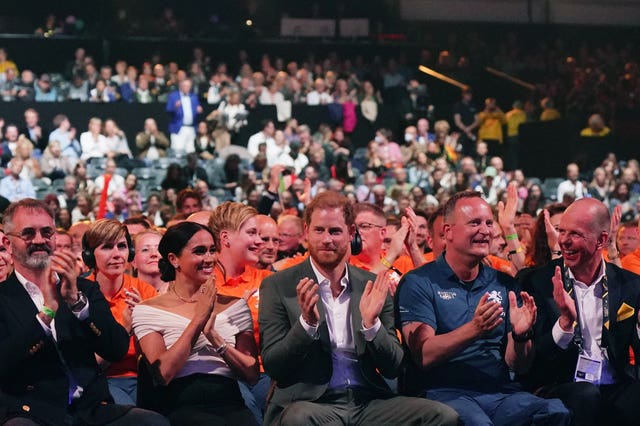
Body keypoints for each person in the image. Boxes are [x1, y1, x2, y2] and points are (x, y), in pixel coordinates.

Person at [258, 191, 458, 425]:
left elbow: (393, 367)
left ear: (351, 233)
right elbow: (273, 365)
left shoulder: (370, 285)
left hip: (367, 401)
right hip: (309, 402)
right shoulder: (278, 285)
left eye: (335, 231)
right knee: (299, 418)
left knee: (443, 416)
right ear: (306, 232)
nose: (327, 240)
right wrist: (306, 325)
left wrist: (371, 326)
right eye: (319, 230)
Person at [396, 190, 570, 425]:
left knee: (555, 413)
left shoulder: (504, 283)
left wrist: (521, 336)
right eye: (474, 223)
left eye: (489, 223)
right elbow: (424, 356)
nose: (485, 230)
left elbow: (518, 364)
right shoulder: (419, 282)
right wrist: (475, 328)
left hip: (500, 392)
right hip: (443, 392)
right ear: (448, 232)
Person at [0, 199, 168, 425]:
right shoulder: (3, 297)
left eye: (46, 232)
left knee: (152, 422)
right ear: (9, 244)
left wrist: (78, 304)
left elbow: (116, 349)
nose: (39, 240)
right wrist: (45, 314)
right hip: (31, 410)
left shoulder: (84, 289)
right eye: (28, 233)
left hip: (90, 409)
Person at [518, 197, 640, 426]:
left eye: (575, 234)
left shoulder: (630, 285)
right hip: (558, 384)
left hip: (615, 385)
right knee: (585, 395)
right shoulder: (537, 282)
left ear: (601, 240)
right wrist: (564, 323)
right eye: (561, 231)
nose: (563, 240)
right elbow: (533, 359)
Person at [132, 222, 258, 424]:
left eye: (212, 250)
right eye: (199, 252)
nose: (209, 259)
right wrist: (198, 320)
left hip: (230, 399)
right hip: (179, 403)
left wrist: (216, 339)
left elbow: (251, 374)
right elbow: (163, 373)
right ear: (174, 259)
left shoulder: (236, 307)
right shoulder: (148, 310)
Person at [82, 219, 158, 405]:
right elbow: (87, 366)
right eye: (107, 247)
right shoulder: (80, 296)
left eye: (122, 246)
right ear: (90, 255)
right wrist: (125, 328)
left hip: (146, 380)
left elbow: (156, 358)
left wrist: (144, 324)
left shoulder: (145, 291)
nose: (117, 254)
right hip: (102, 381)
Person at [209, 202, 272, 423]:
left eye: (259, 234)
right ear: (225, 238)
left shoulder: (266, 281)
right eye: (251, 233)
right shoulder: (202, 283)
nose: (259, 241)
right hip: (219, 376)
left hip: (266, 375)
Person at [166, 78, 202, 153]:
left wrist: (199, 110)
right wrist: (175, 107)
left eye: (188, 86)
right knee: (178, 151)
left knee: (190, 151)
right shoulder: (173, 96)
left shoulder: (193, 97)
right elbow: (168, 110)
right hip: (179, 128)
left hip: (191, 128)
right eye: (185, 86)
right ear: (181, 86)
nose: (187, 88)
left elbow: (198, 108)